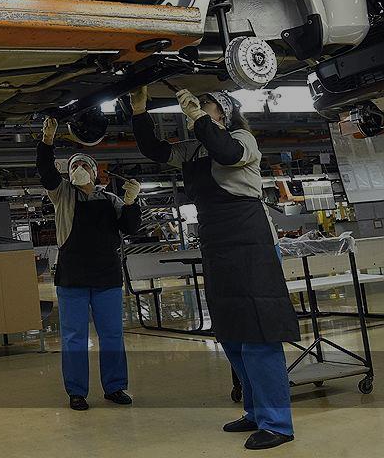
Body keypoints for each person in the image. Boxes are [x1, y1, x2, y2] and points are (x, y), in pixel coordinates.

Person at [131, 87, 299, 450]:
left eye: (205, 106)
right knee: (233, 333)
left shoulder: (242, 139)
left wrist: (197, 118)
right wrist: (140, 112)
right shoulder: (193, 149)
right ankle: (255, 412)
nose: (196, 110)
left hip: (249, 238)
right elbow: (155, 150)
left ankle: (277, 423)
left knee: (258, 331)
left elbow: (227, 152)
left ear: (223, 112)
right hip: (217, 240)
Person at [37, 117, 143, 411]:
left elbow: (130, 228)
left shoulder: (111, 199)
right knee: (74, 337)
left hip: (107, 277)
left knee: (112, 335)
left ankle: (115, 386)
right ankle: (76, 391)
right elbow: (46, 172)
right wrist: (46, 142)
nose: (79, 168)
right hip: (72, 277)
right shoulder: (62, 195)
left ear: (95, 173)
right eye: (74, 166)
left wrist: (131, 204)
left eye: (84, 164)